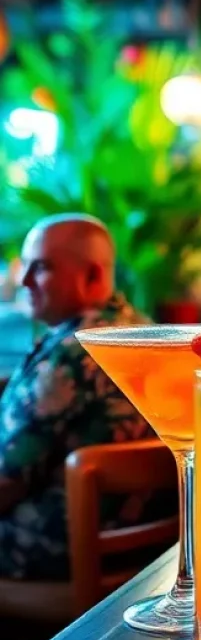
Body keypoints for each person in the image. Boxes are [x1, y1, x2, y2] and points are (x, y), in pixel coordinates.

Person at [0, 214, 153, 580]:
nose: (24, 281)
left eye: (41, 268)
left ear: (93, 276)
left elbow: (7, 480)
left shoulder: (73, 353)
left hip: (61, 552)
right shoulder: (141, 328)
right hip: (138, 548)